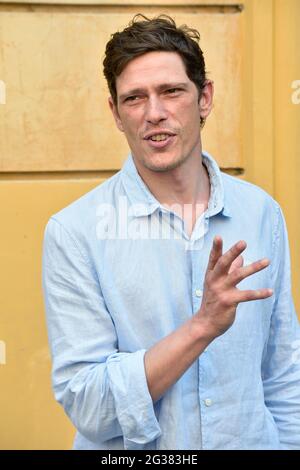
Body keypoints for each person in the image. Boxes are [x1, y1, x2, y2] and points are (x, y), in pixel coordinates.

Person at [42, 14, 300, 450]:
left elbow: (283, 372)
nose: (154, 113)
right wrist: (201, 327)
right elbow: (88, 405)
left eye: (172, 91)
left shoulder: (260, 213)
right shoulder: (74, 232)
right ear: (116, 113)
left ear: (205, 98)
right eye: (134, 98)